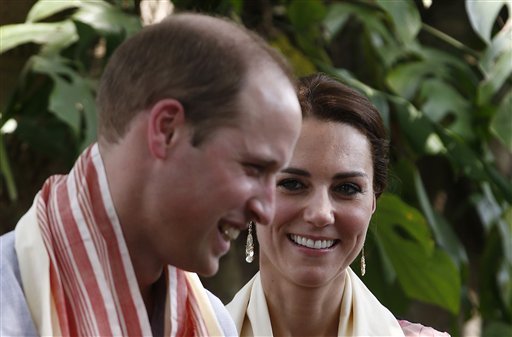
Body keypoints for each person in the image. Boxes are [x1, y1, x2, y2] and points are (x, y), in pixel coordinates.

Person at [0, 13, 302, 337]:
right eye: (253, 168)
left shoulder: (213, 321)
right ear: (167, 130)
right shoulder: (10, 299)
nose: (266, 211)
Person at [227, 73, 450, 336]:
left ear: (373, 203)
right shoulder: (193, 329)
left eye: (347, 188)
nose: (320, 214)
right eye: (292, 184)